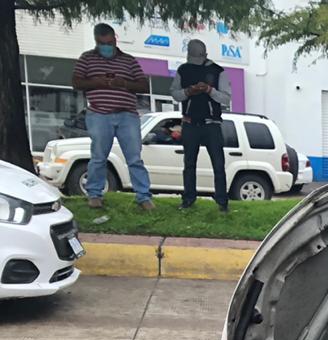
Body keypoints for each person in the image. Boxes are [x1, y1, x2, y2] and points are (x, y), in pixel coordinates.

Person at [71, 24, 153, 211]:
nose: (107, 46)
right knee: (99, 157)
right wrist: (96, 82)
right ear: (96, 41)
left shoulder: (128, 60)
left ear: (115, 40)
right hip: (99, 114)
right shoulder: (87, 59)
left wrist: (123, 83)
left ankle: (144, 196)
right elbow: (76, 82)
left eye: (109, 42)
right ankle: (94, 194)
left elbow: (143, 85)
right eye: (102, 43)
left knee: (134, 158)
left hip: (127, 115)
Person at [171, 40, 232, 212]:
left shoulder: (217, 71)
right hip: (190, 123)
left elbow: (226, 99)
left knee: (218, 165)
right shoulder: (183, 70)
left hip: (211, 124)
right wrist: (188, 92)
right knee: (189, 164)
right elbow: (175, 93)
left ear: (205, 55)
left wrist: (209, 90)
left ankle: (222, 202)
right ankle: (188, 198)